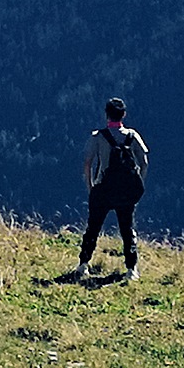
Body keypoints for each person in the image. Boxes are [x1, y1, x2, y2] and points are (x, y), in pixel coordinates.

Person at [72, 96, 148, 281]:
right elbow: (144, 161)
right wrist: (137, 183)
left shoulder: (98, 137)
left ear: (106, 114)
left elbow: (87, 163)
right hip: (126, 192)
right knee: (127, 229)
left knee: (93, 228)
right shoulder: (132, 136)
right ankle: (131, 269)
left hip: (102, 189)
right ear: (124, 114)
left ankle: (83, 265)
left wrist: (91, 186)